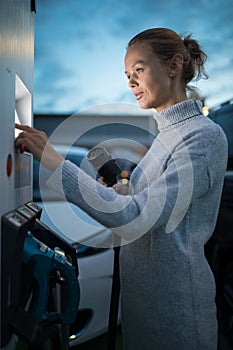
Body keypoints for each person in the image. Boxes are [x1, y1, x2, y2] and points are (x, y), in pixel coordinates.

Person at [15, 28, 228, 350]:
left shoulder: (202, 136)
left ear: (173, 66)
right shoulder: (168, 134)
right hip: (145, 301)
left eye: (139, 70)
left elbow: (138, 218)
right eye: (128, 74)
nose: (130, 82)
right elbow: (147, 209)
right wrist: (121, 192)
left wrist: (53, 161)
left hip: (177, 310)